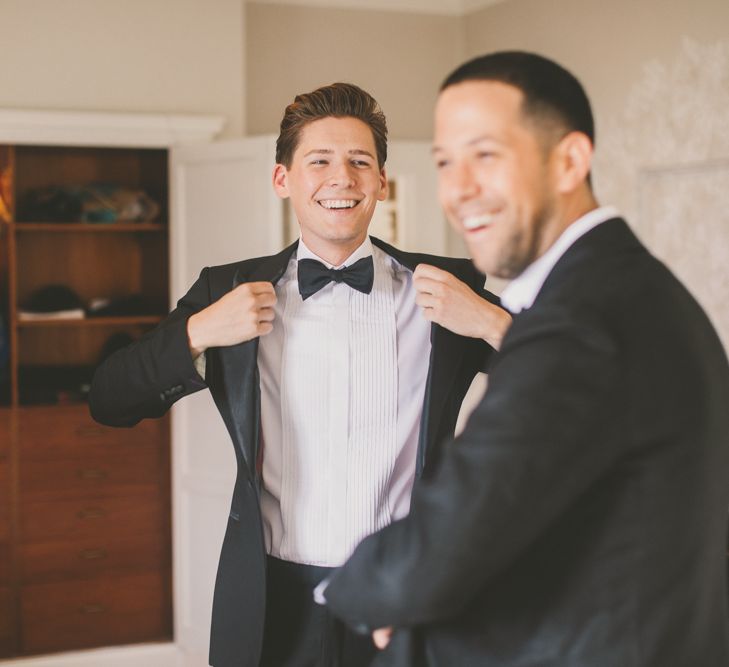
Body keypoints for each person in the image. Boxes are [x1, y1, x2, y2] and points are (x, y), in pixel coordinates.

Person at [322, 52, 729, 666]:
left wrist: (366, 593)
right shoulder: (635, 290)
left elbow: (453, 535)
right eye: (444, 162)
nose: (458, 190)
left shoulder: (581, 321)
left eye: (485, 156)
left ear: (569, 160)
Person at [88, 82, 511, 667]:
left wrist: (489, 320)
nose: (342, 178)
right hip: (272, 600)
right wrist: (197, 333)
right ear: (282, 179)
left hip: (407, 596)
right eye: (320, 160)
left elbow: (583, 382)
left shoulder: (448, 289)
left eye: (360, 161)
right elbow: (109, 399)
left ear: (381, 181)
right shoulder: (225, 291)